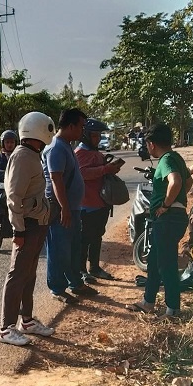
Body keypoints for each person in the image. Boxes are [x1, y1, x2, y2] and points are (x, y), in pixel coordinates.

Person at [0, 112, 56, 346]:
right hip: (27, 225)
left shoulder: (32, 155)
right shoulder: (22, 157)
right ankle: (5, 328)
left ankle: (27, 321)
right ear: (38, 131)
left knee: (29, 274)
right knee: (17, 274)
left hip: (37, 223)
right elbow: (13, 197)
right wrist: (18, 231)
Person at [130, 123, 191, 317]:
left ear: (151, 144)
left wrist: (166, 204)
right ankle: (148, 302)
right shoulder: (176, 157)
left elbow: (177, 181)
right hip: (174, 216)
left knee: (167, 265)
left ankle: (173, 309)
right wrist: (178, 200)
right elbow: (188, 181)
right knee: (155, 262)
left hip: (168, 218)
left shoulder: (166, 159)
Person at [43, 108, 94, 300]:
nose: (83, 131)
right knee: (58, 250)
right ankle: (57, 289)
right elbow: (56, 180)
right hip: (60, 209)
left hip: (72, 208)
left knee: (73, 248)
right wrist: (64, 208)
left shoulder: (66, 145)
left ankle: (76, 283)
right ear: (71, 126)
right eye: (81, 126)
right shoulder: (56, 147)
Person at [74, 118, 124, 283]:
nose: (98, 139)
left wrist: (111, 169)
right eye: (95, 136)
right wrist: (105, 169)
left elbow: (100, 173)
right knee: (83, 239)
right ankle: (81, 270)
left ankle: (94, 267)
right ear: (86, 136)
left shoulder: (96, 153)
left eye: (99, 135)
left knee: (97, 236)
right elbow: (82, 174)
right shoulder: (79, 154)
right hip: (86, 205)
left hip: (101, 203)